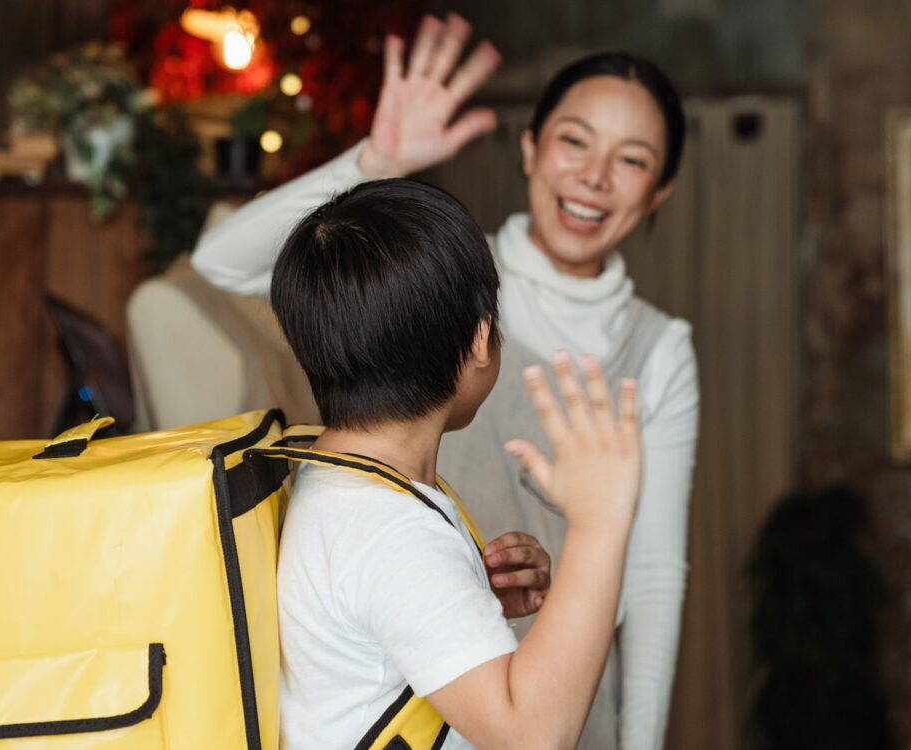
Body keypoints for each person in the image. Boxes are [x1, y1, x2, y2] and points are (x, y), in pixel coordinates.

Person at [192, 15, 698, 749]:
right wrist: (376, 158)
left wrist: (466, 588)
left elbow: (650, 581)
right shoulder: (435, 278)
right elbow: (222, 266)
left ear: (659, 191)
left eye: (631, 159)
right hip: (520, 700)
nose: (594, 174)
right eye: (575, 140)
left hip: (516, 670)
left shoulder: (357, 481)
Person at [272, 177, 641, 749]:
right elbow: (532, 737)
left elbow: (376, 639)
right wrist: (600, 525)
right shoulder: (388, 531)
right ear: (480, 340)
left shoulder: (343, 488)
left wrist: (470, 601)